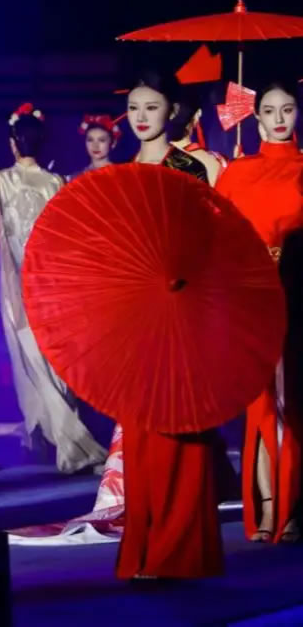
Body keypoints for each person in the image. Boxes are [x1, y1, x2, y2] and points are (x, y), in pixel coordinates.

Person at [118, 66, 225, 579]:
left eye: (151, 107)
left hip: (183, 310)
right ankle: (145, 549)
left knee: (178, 429)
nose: (141, 117)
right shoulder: (118, 175)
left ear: (172, 111)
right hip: (134, 315)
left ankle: (177, 551)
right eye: (134, 108)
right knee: (140, 434)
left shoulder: (192, 169)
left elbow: (213, 243)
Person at [0, 103, 106, 474]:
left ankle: (60, 435)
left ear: (12, 143)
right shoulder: (56, 182)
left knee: (26, 354)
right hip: (49, 276)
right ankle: (45, 432)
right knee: (50, 352)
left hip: (15, 275)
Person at [215, 75, 303, 544]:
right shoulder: (237, 172)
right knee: (261, 404)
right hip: (250, 296)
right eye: (269, 110)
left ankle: (291, 508)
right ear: (256, 116)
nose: (279, 119)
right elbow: (217, 236)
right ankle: (267, 506)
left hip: (297, 292)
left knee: (293, 402)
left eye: (287, 109)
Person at [71, 114, 119, 179]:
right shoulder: (77, 176)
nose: (95, 146)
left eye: (102, 140)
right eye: (90, 140)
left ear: (113, 143)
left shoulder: (120, 173)